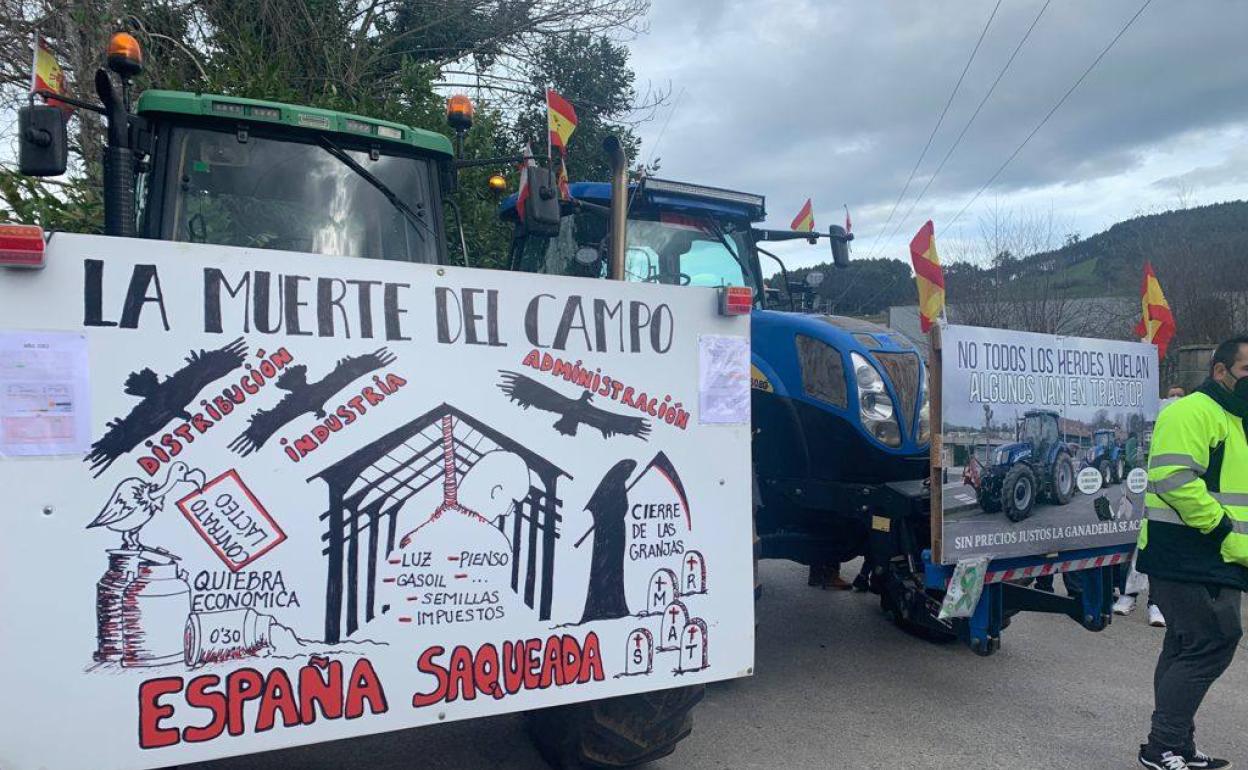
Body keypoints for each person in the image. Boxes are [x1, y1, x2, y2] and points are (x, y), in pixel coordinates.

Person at [1135, 337, 1248, 770]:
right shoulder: (1192, 411)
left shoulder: (1232, 418)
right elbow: (1174, 479)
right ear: (1219, 371)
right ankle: (1160, 747)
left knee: (1185, 646)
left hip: (1213, 555)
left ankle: (1175, 743)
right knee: (1212, 642)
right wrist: (1222, 530)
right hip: (1189, 552)